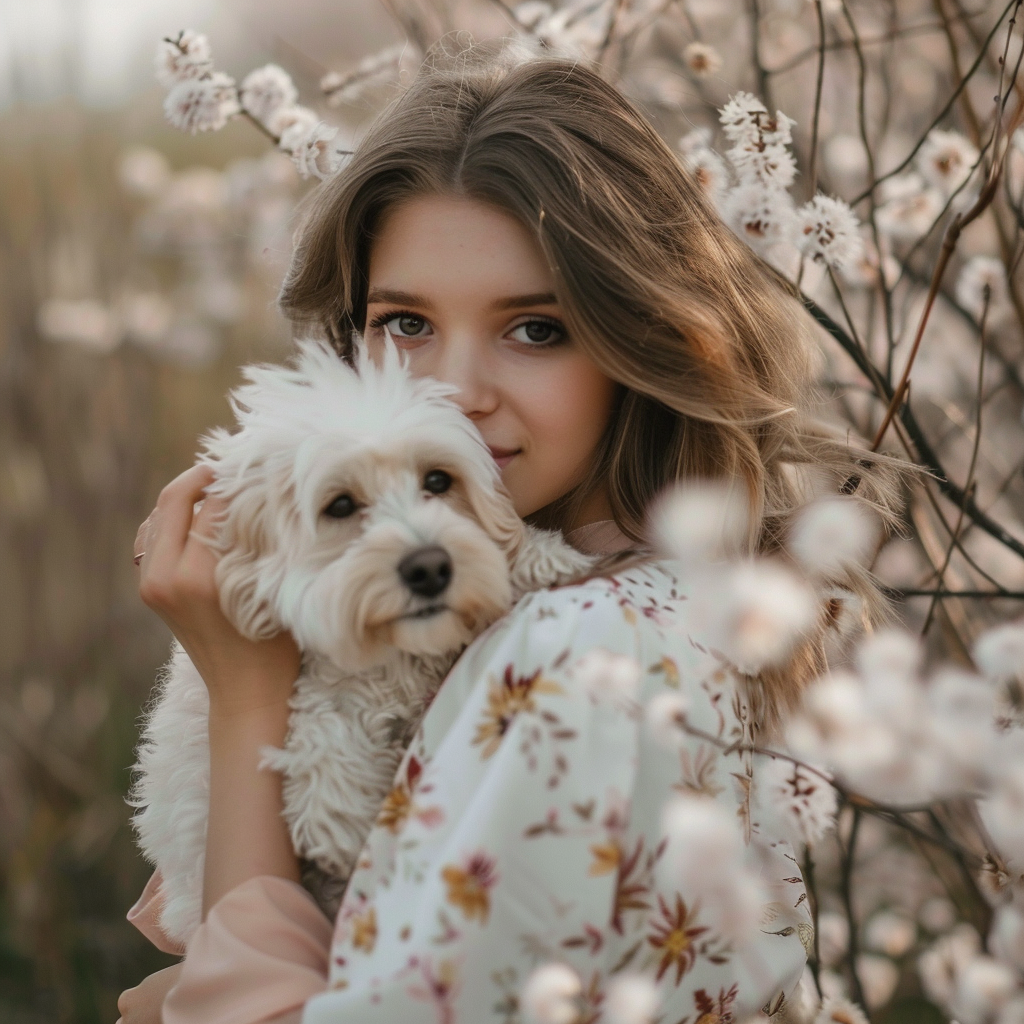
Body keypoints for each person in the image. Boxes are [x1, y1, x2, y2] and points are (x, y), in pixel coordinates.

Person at [119, 42, 901, 1024]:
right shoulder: (664, 597)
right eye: (403, 323)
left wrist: (244, 701)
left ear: (641, 338)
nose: (455, 391)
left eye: (535, 329)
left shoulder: (575, 650)